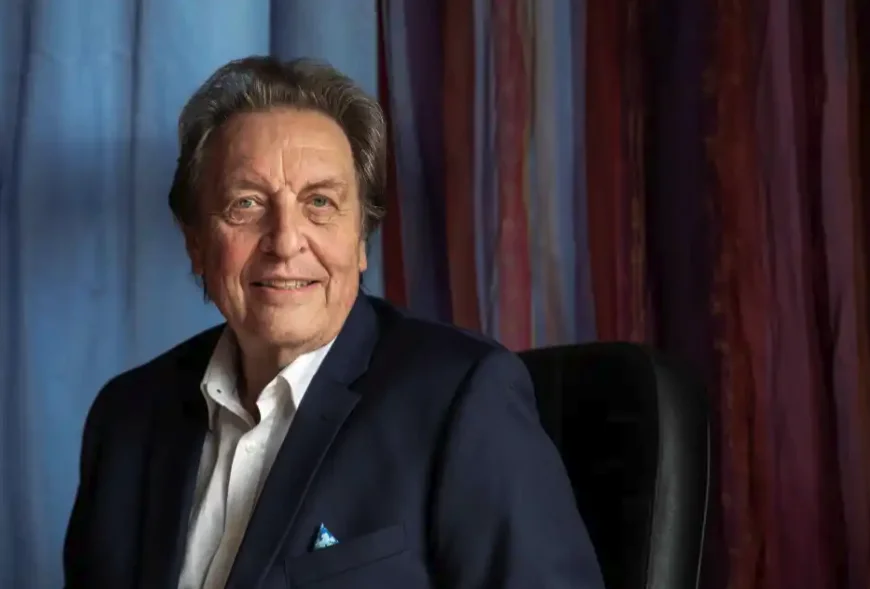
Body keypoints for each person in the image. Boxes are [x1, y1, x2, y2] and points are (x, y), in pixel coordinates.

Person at [63, 56, 604, 589]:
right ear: (196, 244)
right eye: (246, 204)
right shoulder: (127, 417)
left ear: (360, 239)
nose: (285, 242)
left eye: (319, 202)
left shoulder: (461, 398)